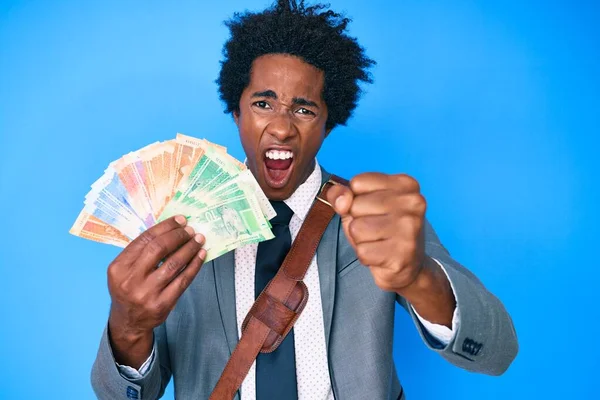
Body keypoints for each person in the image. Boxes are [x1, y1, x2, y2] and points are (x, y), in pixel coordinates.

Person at [91, 1, 519, 399]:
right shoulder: (178, 227)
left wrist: (419, 277)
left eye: (303, 109)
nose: (280, 128)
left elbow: (497, 352)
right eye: (263, 103)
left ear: (327, 124)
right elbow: (127, 394)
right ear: (236, 112)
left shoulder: (376, 217)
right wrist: (128, 328)